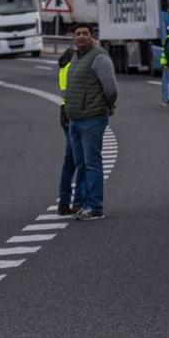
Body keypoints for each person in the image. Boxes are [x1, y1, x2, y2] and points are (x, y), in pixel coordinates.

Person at [63, 23, 117, 220]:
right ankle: (84, 203)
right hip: (75, 119)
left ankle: (95, 207)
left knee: (92, 163)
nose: (81, 36)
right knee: (81, 164)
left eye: (85, 33)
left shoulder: (99, 57)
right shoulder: (77, 56)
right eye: (78, 34)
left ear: (92, 36)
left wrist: (108, 105)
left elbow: (111, 88)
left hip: (92, 118)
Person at [55, 43, 78, 215]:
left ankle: (64, 201)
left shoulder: (64, 66)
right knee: (79, 159)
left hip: (64, 111)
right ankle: (77, 201)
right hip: (73, 111)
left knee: (70, 160)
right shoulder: (73, 67)